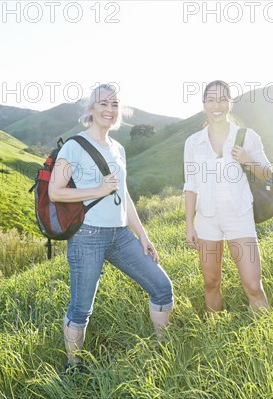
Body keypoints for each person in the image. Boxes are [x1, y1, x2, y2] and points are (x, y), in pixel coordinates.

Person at [49, 84, 174, 371]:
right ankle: (74, 368)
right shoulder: (74, 146)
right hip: (87, 236)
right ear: (90, 109)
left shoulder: (118, 148)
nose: (109, 109)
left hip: (120, 235)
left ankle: (162, 349)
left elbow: (124, 194)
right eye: (102, 104)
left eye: (114, 104)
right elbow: (56, 192)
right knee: (81, 309)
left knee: (161, 287)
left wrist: (143, 235)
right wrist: (96, 189)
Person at [183, 80, 270, 313]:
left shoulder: (246, 136)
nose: (217, 104)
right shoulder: (193, 142)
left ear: (230, 103)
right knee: (211, 283)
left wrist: (247, 159)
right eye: (211, 99)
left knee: (253, 285)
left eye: (222, 99)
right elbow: (190, 185)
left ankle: (269, 336)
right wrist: (189, 225)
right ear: (204, 105)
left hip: (239, 215)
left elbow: (266, 172)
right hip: (207, 219)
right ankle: (215, 334)